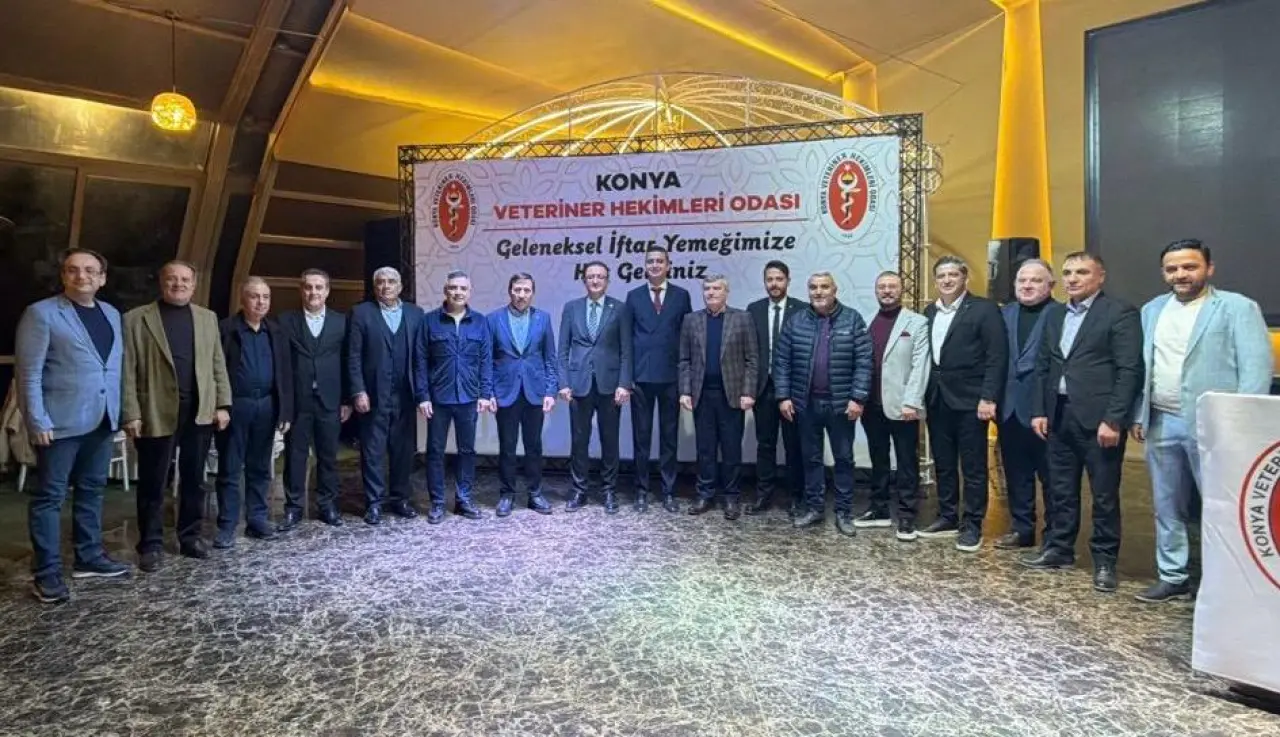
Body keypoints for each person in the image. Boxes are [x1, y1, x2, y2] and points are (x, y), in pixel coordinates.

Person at [1131, 239, 1273, 603]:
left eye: (1189, 266)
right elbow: (1144, 367)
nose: (1180, 274)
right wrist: (1138, 414)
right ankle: (1173, 576)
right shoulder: (1151, 310)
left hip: (1217, 427)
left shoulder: (1238, 307)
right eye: (1172, 268)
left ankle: (1225, 581)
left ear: (1209, 269)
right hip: (1162, 420)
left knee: (1221, 506)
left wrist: (1242, 423)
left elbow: (1256, 368)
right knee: (1166, 506)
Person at [1022, 251, 1143, 594]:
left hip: (1099, 420)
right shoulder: (1055, 314)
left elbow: (1129, 369)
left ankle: (1105, 561)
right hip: (1058, 415)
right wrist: (1039, 410)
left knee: (1104, 495)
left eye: (1082, 272)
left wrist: (1114, 419)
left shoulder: (1119, 312)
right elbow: (1044, 365)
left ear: (1100, 277)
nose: (1073, 279)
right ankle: (1059, 549)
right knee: (1060, 489)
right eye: (1068, 272)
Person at [16, 248, 130, 603]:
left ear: (102, 278)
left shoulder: (111, 314)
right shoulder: (42, 313)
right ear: (63, 275)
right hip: (59, 423)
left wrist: (123, 412)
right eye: (73, 270)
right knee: (50, 497)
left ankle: (88, 557)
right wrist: (36, 419)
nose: (82, 276)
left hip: (102, 419)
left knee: (92, 489)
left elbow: (112, 368)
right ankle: (47, 573)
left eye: (90, 271)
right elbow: (29, 373)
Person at [122, 260, 231, 572]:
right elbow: (126, 370)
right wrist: (131, 412)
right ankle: (151, 544)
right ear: (162, 282)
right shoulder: (136, 319)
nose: (179, 284)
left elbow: (217, 363)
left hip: (199, 411)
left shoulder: (207, 318)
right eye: (172, 278)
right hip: (155, 410)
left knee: (195, 480)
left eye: (185, 280)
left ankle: (190, 537)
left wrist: (223, 404)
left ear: (193, 285)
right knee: (154, 482)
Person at [773, 272, 873, 535]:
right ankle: (815, 508)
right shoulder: (796, 321)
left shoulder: (852, 319)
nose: (818, 292)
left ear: (834, 290)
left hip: (841, 405)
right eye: (813, 287)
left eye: (824, 287)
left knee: (844, 459)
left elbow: (864, 361)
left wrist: (858, 397)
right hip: (805, 404)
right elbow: (781, 361)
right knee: (811, 459)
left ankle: (844, 512)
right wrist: (783, 396)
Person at [919, 256, 1007, 553]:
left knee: (973, 466)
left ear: (964, 278)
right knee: (943, 463)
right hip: (937, 399)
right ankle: (947, 517)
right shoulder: (929, 311)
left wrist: (989, 397)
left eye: (952, 275)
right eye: (941, 276)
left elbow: (996, 355)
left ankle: (972, 524)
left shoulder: (984, 309)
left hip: (971, 401)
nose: (946, 280)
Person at [212, 277, 294, 548]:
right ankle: (227, 525)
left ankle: (257, 519)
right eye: (254, 296)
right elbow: (215, 370)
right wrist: (220, 405)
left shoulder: (276, 331)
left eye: (265, 297)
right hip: (236, 406)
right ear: (242, 299)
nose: (261, 302)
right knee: (230, 468)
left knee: (260, 467)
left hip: (267, 406)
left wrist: (285, 411)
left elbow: (285, 373)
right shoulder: (226, 329)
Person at [347, 266, 425, 525]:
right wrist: (358, 390)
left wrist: (422, 393)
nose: (386, 286)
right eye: (380, 282)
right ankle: (374, 503)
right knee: (373, 450)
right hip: (372, 395)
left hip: (405, 395)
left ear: (400, 286)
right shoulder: (361, 313)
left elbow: (421, 358)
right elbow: (353, 356)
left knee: (403, 451)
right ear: (374, 287)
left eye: (391, 282)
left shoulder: (415, 314)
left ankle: (400, 499)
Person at [856, 271, 930, 542]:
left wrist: (912, 401)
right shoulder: (867, 321)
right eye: (882, 287)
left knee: (907, 462)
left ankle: (907, 516)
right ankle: (879, 509)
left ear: (902, 289)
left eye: (892, 286)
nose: (887, 291)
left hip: (903, 406)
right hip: (872, 404)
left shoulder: (917, 322)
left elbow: (920, 364)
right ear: (876, 291)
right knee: (878, 459)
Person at [415, 270, 493, 523]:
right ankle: (437, 502)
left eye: (463, 288)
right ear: (445, 291)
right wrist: (423, 396)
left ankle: (464, 499)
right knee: (435, 451)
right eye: (453, 288)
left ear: (469, 292)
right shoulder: (429, 321)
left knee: (467, 450)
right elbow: (420, 361)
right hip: (438, 398)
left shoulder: (480, 322)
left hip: (469, 397)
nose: (458, 292)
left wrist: (485, 393)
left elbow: (486, 360)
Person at [678, 275, 758, 520]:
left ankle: (731, 497)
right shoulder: (691, 320)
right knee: (705, 449)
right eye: (707, 288)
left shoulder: (742, 318)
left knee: (731, 449)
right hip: (702, 395)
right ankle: (705, 494)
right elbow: (684, 360)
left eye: (716, 288)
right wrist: (685, 391)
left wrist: (748, 392)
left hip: (731, 395)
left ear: (726, 292)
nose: (711, 292)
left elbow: (752, 359)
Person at [558, 261, 633, 513]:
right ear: (584, 280)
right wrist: (563, 382)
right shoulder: (571, 308)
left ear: (607, 280)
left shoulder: (620, 308)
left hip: (610, 386)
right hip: (578, 385)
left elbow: (626, 350)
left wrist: (624, 383)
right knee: (579, 441)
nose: (595, 280)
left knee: (609, 440)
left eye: (600, 276)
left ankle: (609, 490)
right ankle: (579, 490)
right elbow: (563, 350)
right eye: (591, 276)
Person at [278, 268, 350, 529]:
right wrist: (284, 405)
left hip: (330, 399)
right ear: (301, 290)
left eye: (319, 287)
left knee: (328, 456)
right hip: (298, 400)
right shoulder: (285, 321)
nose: (313, 292)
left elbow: (348, 362)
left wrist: (347, 400)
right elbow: (282, 365)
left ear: (327, 291)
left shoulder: (341, 322)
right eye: (308, 287)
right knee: (295, 456)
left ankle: (327, 505)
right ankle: (293, 507)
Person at [995, 259, 1058, 550]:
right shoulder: (1003, 314)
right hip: (1009, 407)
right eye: (1022, 280)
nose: (1027, 285)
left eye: (1035, 280)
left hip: (1046, 410)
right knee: (1016, 474)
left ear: (1051, 285)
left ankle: (1055, 535)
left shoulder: (1061, 314)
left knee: (1053, 477)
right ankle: (1022, 529)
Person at [625, 246, 692, 513]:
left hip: (671, 378)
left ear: (668, 266)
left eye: (659, 261)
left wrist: (685, 380)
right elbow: (627, 340)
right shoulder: (634, 296)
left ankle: (668, 491)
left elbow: (687, 339)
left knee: (669, 438)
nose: (655, 265)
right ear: (645, 266)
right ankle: (641, 491)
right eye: (650, 261)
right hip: (641, 378)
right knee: (641, 438)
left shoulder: (681, 296)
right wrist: (627, 378)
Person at [487, 273, 557, 517]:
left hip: (534, 392)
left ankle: (535, 494)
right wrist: (488, 392)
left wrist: (551, 390)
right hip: (505, 392)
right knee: (507, 447)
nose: (521, 295)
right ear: (510, 291)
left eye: (526, 290)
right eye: (517, 290)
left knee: (533, 447)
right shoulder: (493, 319)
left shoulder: (543, 318)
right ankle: (507, 495)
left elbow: (550, 357)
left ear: (532, 293)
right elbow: (487, 360)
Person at [745, 261, 806, 517]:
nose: (774, 284)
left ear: (788, 281)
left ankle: (796, 497)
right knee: (765, 445)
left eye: (779, 279)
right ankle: (764, 495)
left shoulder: (802, 309)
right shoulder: (754, 309)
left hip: (792, 391)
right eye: (770, 279)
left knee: (794, 445)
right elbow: (749, 351)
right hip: (764, 389)